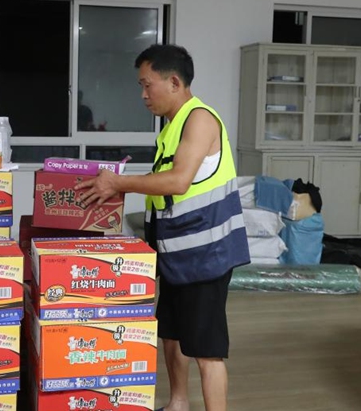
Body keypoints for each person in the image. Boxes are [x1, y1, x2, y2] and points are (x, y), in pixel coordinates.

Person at [76, 44, 250, 411]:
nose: (142, 95)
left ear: (173, 81)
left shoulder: (199, 119)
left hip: (207, 254)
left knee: (207, 349)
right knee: (170, 332)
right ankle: (178, 402)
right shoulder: (172, 126)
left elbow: (177, 182)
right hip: (176, 252)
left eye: (146, 85)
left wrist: (118, 185)